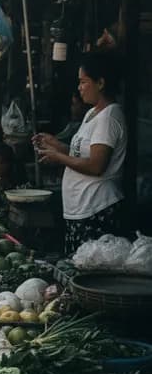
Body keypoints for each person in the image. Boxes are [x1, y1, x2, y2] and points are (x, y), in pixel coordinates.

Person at [34, 53, 126, 256]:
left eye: (83, 82)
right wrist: (55, 144)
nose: (79, 87)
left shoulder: (109, 117)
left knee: (90, 268)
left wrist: (58, 157)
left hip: (97, 209)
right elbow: (79, 154)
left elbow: (96, 165)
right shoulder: (91, 113)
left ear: (100, 83)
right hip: (81, 209)